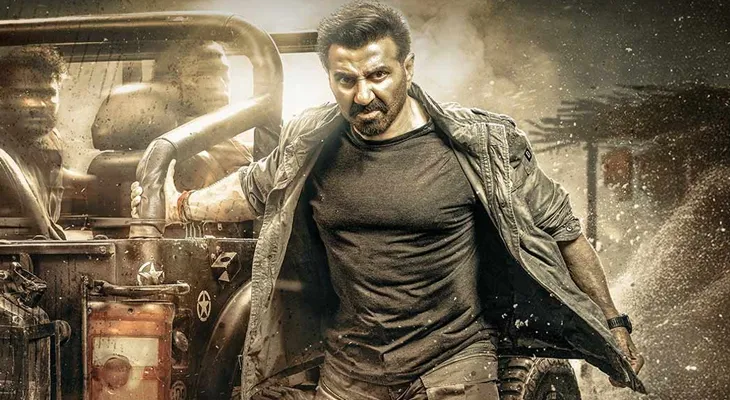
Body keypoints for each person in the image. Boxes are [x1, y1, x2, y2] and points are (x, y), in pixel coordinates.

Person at [132, 2, 645, 399]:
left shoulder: (479, 146)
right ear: (330, 78)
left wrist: (613, 322)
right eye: (346, 80)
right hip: (351, 372)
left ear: (408, 67)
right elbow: (250, 189)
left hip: (453, 365)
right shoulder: (310, 144)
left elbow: (563, 231)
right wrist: (177, 205)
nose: (362, 96)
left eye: (378, 75)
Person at [93, 41, 252, 191]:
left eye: (224, 73)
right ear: (172, 84)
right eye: (203, 73)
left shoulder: (223, 142)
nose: (220, 84)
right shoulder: (194, 162)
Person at [0, 45, 66, 240]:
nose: (39, 105)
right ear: (3, 98)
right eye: (25, 93)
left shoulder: (51, 141)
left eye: (47, 94)